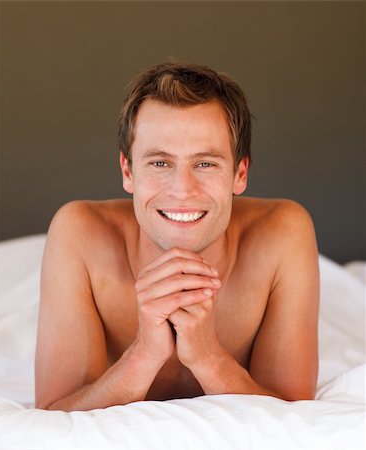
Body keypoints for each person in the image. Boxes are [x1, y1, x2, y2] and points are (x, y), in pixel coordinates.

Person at [35, 62, 319, 412]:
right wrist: (143, 354)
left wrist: (208, 356)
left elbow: (301, 419)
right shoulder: (78, 233)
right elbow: (52, 416)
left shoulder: (284, 233)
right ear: (128, 171)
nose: (182, 191)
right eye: (160, 163)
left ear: (239, 174)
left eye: (205, 164)